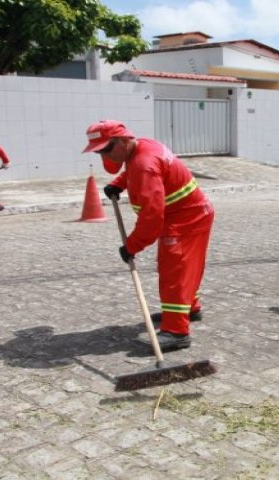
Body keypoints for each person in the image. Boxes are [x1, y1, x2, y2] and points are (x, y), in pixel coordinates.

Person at [82, 120, 215, 351]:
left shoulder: (144, 163)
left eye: (106, 149)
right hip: (189, 215)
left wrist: (131, 246)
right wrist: (119, 183)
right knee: (185, 268)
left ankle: (176, 332)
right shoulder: (141, 147)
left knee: (175, 272)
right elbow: (137, 170)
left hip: (186, 220)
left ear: (123, 140)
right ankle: (190, 309)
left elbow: (151, 219)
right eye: (99, 151)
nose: (104, 155)